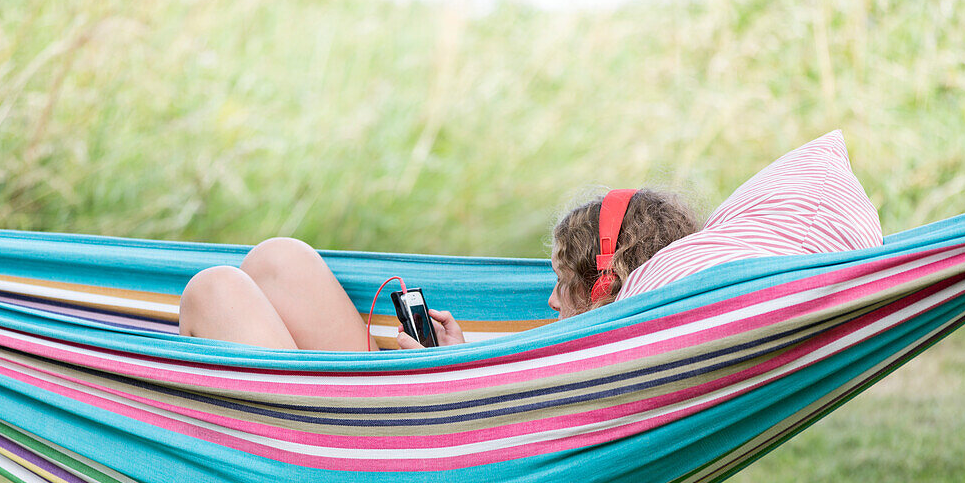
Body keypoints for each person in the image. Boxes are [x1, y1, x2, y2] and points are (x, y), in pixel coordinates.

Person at [178, 189, 700, 350]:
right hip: (393, 426)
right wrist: (453, 363)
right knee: (279, 258)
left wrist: (434, 379)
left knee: (215, 289)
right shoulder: (607, 353)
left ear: (604, 285)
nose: (550, 301)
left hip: (362, 463)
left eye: (563, 285)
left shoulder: (600, 363)